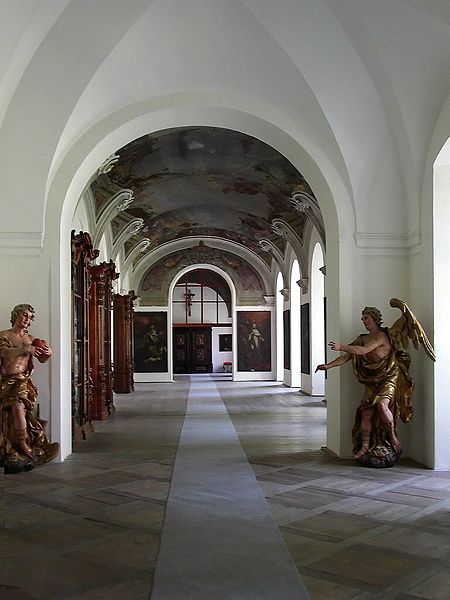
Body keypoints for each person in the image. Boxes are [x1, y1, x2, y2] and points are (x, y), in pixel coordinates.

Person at [315, 306, 413, 465]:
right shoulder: (362, 337)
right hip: (372, 379)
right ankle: (365, 446)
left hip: (388, 376)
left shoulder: (381, 336)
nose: (364, 321)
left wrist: (342, 346)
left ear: (375, 319)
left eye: (366, 318)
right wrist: (329, 365)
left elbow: (362, 351)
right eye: (363, 319)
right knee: (366, 413)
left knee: (382, 405)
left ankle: (393, 437)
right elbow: (348, 356)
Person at [0, 303, 59, 473]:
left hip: (22, 382)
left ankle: (23, 444)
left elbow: (42, 359)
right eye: (24, 315)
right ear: (16, 315)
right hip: (5, 381)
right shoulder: (5, 335)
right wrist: (25, 349)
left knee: (19, 408)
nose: (27, 320)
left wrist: (48, 353)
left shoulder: (32, 339)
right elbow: (3, 353)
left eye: (30, 317)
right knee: (7, 414)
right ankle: (12, 448)